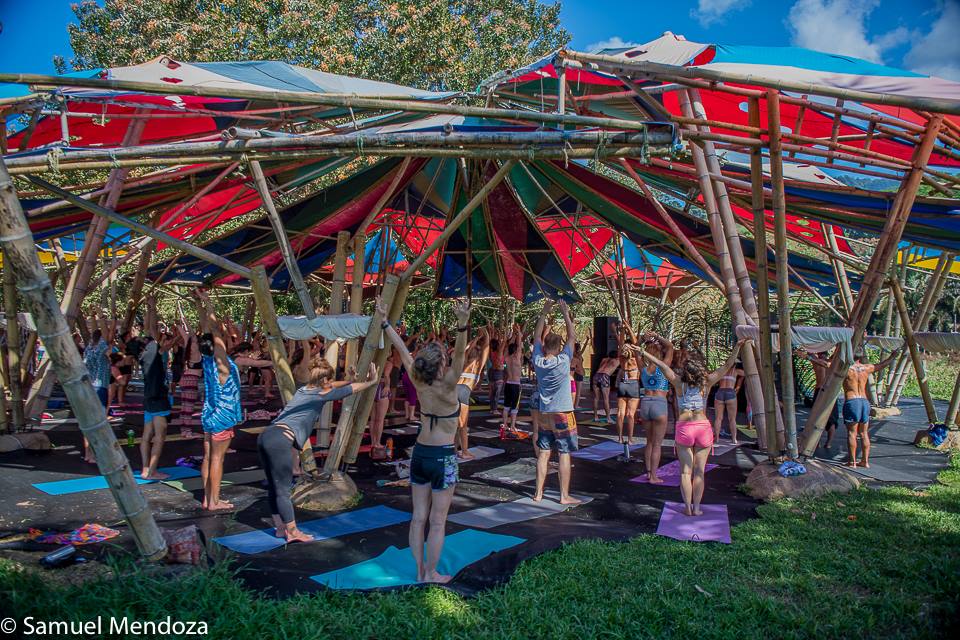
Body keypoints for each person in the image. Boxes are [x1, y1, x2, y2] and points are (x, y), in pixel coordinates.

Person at [380, 297, 471, 583]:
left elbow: (401, 348)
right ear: (441, 363)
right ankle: (431, 573)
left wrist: (384, 321)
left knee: (418, 517)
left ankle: (419, 571)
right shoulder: (449, 385)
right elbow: (459, 354)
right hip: (443, 457)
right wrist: (462, 322)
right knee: (437, 521)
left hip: (420, 454)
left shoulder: (417, 380)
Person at [258, 358, 377, 542]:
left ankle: (281, 529)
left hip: (267, 435)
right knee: (282, 490)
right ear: (323, 382)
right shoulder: (321, 394)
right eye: (328, 381)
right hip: (280, 440)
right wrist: (370, 382)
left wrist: (350, 379)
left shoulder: (305, 389)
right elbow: (345, 391)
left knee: (275, 488)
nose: (330, 383)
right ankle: (293, 532)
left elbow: (335, 385)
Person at [631, 339, 747, 516]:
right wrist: (737, 347)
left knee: (685, 472)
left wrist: (643, 352)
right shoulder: (706, 382)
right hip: (702, 428)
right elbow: (727, 365)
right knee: (699, 471)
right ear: (700, 370)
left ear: (685, 370)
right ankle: (697, 508)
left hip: (685, 428)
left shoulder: (678, 383)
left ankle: (687, 507)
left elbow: (661, 365)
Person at [195, 291, 245, 511]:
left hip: (209, 414)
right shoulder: (222, 366)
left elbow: (207, 333)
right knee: (217, 459)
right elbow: (214, 333)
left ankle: (208, 499)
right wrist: (209, 304)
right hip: (223, 416)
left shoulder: (207, 360)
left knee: (208, 457)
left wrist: (199, 305)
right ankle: (214, 502)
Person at [532, 299, 580, 505]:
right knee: (564, 453)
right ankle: (563, 496)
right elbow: (572, 336)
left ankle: (538, 494)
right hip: (563, 413)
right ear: (559, 347)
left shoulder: (538, 361)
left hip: (545, 414)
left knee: (543, 453)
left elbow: (535, 337)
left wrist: (544, 312)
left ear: (544, 346)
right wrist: (565, 312)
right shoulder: (564, 360)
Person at [842, 349, 899, 468]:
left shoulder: (846, 368)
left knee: (852, 433)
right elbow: (882, 365)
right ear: (861, 356)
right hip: (864, 402)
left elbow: (827, 364)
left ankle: (852, 462)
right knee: (864, 433)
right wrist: (893, 356)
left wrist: (810, 357)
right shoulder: (867, 368)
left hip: (852, 402)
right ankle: (865, 461)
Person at [139, 329, 179, 480]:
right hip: (158, 400)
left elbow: (168, 345)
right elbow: (165, 345)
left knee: (146, 435)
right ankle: (152, 472)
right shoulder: (156, 352)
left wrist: (175, 337)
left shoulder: (145, 355)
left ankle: (145, 469)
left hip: (149, 399)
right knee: (159, 436)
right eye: (165, 341)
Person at [638, 332, 674, 479]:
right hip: (659, 403)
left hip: (645, 403)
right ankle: (654, 476)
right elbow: (670, 346)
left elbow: (636, 348)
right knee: (657, 444)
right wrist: (657, 336)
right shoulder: (664, 367)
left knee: (649, 442)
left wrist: (642, 338)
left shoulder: (642, 367)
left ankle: (648, 472)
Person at [81, 311, 112, 463]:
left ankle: (88, 453)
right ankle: (94, 454)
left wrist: (93, 318)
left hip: (88, 387)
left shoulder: (88, 349)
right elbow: (105, 334)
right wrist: (102, 319)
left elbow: (97, 333)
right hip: (100, 388)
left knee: (89, 423)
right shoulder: (100, 348)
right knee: (98, 422)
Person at [455, 324, 490, 460]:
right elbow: (486, 348)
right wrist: (485, 334)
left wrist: (476, 338)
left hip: (454, 389)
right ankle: (464, 451)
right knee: (463, 424)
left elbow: (465, 350)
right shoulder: (478, 367)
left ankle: (454, 449)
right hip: (463, 391)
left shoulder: (463, 363)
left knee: (455, 423)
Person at [799, 348, 841, 449]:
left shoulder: (816, 361)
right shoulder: (832, 363)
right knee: (829, 419)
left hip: (821, 390)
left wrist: (810, 347)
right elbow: (837, 354)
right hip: (828, 390)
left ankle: (819, 442)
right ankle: (826, 443)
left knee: (818, 418)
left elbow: (810, 353)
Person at [615, 325, 642, 452]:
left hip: (623, 384)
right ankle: (630, 439)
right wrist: (629, 329)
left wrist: (621, 331)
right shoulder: (635, 359)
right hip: (633, 384)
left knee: (621, 413)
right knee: (630, 415)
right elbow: (635, 342)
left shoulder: (621, 358)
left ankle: (620, 437)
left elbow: (620, 344)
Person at [369, 352, 395, 459]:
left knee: (373, 418)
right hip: (382, 387)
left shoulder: (372, 362)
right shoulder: (388, 363)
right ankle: (377, 442)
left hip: (372, 387)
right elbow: (386, 376)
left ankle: (373, 442)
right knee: (380, 419)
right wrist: (388, 386)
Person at [713, 357, 744, 444]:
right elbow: (747, 373)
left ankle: (717, 438)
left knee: (718, 418)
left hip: (720, 392)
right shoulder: (736, 371)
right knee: (732, 419)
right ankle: (734, 439)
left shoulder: (721, 370)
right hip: (730, 392)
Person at [501, 323, 524, 433]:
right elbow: (519, 345)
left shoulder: (506, 357)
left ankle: (505, 425)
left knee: (506, 405)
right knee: (514, 407)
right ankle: (512, 426)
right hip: (515, 385)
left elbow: (509, 346)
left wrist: (514, 335)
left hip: (508, 384)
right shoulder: (516, 357)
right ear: (515, 351)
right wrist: (518, 332)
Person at [592, 350, 618, 423]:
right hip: (605, 376)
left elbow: (600, 367)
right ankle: (608, 418)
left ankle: (595, 417)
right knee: (606, 399)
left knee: (596, 398)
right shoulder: (617, 360)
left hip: (597, 375)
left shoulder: (604, 359)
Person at [487, 330, 507, 414]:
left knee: (492, 391)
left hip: (491, 371)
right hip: (498, 373)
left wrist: (498, 334)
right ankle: (494, 409)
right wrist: (503, 335)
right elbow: (504, 341)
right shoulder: (499, 352)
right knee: (497, 392)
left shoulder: (491, 352)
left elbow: (492, 342)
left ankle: (492, 408)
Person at [572, 335, 589, 409]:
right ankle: (575, 405)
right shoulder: (578, 354)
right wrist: (587, 340)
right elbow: (584, 348)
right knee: (578, 391)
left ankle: (574, 404)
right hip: (579, 374)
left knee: (574, 390)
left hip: (575, 373)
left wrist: (587, 340)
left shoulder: (573, 355)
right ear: (578, 348)